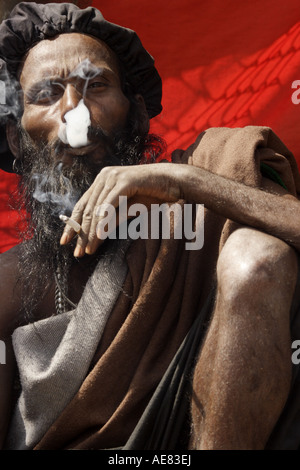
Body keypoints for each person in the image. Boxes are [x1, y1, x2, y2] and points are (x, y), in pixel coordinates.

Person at [0, 2, 300, 451]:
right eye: (47, 94)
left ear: (137, 114)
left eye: (96, 86)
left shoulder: (198, 198)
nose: (75, 115)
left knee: (256, 255)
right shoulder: (9, 280)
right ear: (15, 138)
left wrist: (183, 181)